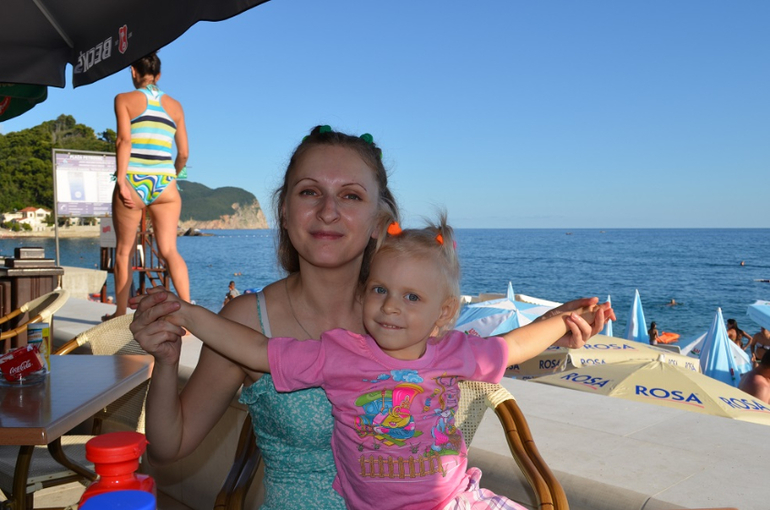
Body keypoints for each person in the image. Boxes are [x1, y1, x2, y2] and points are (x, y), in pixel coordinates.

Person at [129, 125, 612, 510]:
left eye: (351, 196)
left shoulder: (406, 316)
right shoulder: (247, 320)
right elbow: (169, 447)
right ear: (285, 210)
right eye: (309, 192)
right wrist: (166, 361)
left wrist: (556, 324)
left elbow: (501, 347)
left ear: (380, 220)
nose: (328, 211)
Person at [104, 52, 190, 321]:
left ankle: (120, 313)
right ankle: (190, 316)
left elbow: (123, 141)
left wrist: (121, 180)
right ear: (158, 75)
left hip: (133, 180)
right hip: (166, 184)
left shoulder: (123, 99)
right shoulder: (175, 106)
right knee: (170, 251)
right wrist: (171, 177)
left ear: (133, 71)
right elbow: (184, 154)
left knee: (124, 251)